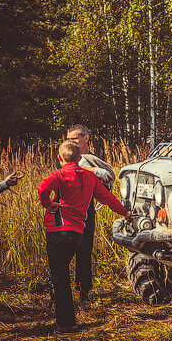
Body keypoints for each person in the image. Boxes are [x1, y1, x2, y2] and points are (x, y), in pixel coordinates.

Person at [39, 140, 129, 334]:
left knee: (60, 276)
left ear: (59, 158)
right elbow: (107, 198)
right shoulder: (89, 177)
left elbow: (42, 189)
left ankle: (66, 323)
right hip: (77, 233)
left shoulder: (59, 174)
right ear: (80, 159)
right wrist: (125, 213)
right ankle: (70, 315)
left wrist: (47, 204)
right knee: (62, 274)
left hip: (58, 230)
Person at [54, 124, 115, 304]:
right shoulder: (65, 157)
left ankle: (84, 292)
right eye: (68, 139)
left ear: (85, 138)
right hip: (65, 211)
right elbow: (69, 172)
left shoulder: (94, 159)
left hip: (87, 211)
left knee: (84, 252)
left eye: (74, 139)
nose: (70, 143)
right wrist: (95, 171)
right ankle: (55, 290)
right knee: (63, 252)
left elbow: (104, 184)